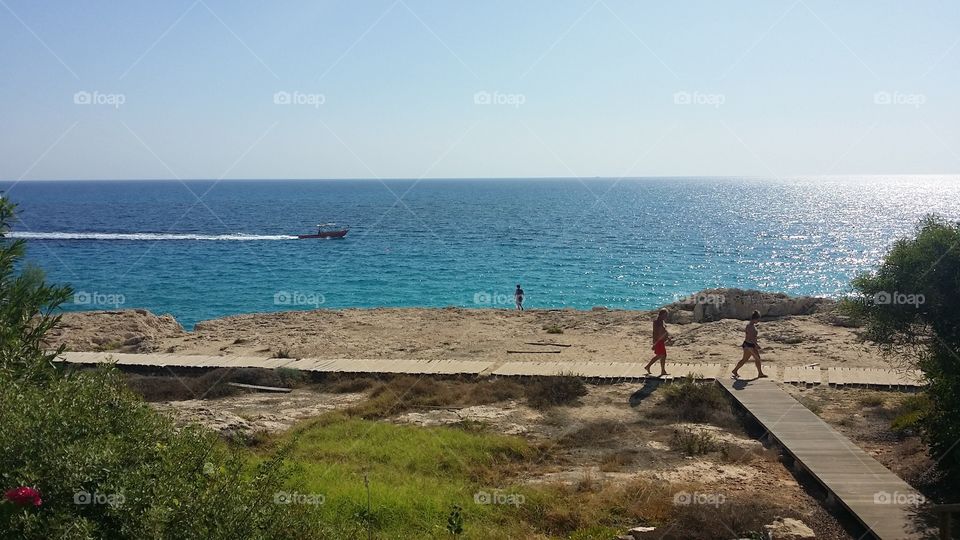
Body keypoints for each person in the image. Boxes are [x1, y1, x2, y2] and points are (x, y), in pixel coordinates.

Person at [732, 310, 767, 379]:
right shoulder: (750, 326)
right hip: (748, 345)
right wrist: (756, 345)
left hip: (750, 345)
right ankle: (735, 370)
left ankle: (760, 373)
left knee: (752, 359)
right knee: (753, 359)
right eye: (758, 319)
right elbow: (751, 338)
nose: (758, 321)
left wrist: (755, 345)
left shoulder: (751, 325)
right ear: (755, 319)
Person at [644, 309, 670, 377]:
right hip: (658, 341)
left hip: (660, 341)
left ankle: (663, 370)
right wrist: (655, 343)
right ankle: (648, 366)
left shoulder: (661, 321)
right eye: (665, 315)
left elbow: (663, 331)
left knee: (663, 355)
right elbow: (657, 332)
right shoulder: (658, 322)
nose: (666, 316)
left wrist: (666, 336)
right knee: (660, 355)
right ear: (661, 315)